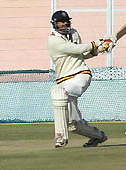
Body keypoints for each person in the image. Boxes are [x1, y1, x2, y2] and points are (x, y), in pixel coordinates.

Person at [47, 10, 117, 147]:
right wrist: (99, 42)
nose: (65, 23)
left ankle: (60, 138)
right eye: (61, 22)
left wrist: (101, 48)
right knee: (74, 124)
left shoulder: (74, 33)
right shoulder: (53, 40)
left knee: (59, 93)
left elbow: (82, 54)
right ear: (55, 24)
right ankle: (98, 137)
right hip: (64, 80)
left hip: (80, 74)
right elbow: (76, 49)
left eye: (66, 21)